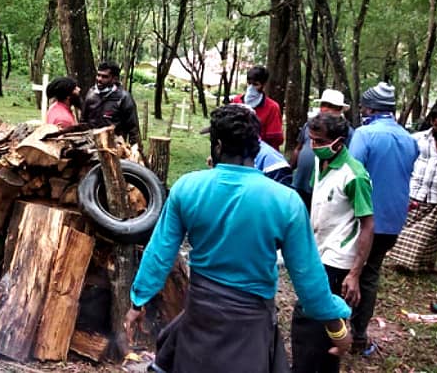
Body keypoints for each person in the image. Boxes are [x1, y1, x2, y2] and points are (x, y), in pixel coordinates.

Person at [123, 104, 351, 373]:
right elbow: (310, 282)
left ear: (217, 145)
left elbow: (160, 252)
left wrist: (138, 302)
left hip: (200, 320)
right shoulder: (285, 202)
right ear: (257, 145)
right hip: (251, 329)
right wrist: (337, 328)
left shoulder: (188, 187)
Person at [291, 113, 373, 373]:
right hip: (317, 251)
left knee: (314, 320)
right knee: (323, 326)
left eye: (319, 141)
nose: (313, 146)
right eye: (311, 140)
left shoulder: (355, 176)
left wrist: (355, 273)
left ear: (338, 143)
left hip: (337, 260)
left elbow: (368, 225)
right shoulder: (320, 163)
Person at [347, 82, 418, 355]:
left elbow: (352, 172)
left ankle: (341, 330)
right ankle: (359, 335)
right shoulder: (408, 138)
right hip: (394, 219)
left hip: (365, 219)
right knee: (371, 273)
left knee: (349, 271)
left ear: (370, 107)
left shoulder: (365, 134)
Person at [387, 105, 437, 275]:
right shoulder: (417, 139)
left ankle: (427, 265)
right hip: (414, 192)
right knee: (409, 230)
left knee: (431, 235)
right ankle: (398, 260)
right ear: (432, 121)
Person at [291, 89, 353, 208]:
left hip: (323, 188)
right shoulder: (310, 125)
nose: (325, 109)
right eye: (323, 104)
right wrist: (290, 169)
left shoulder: (347, 132)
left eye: (331, 106)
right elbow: (298, 148)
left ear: (339, 109)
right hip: (300, 183)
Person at [80, 61, 140, 145]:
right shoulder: (91, 93)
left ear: (115, 79)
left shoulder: (124, 98)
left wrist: (135, 148)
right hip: (91, 146)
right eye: (98, 75)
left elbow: (133, 128)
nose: (99, 79)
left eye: (105, 76)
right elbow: (83, 121)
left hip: (114, 147)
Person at [232, 65, 284, 149]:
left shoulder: (272, 107)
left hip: (260, 151)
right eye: (249, 83)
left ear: (264, 85)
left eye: (256, 85)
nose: (251, 88)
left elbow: (275, 139)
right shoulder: (237, 101)